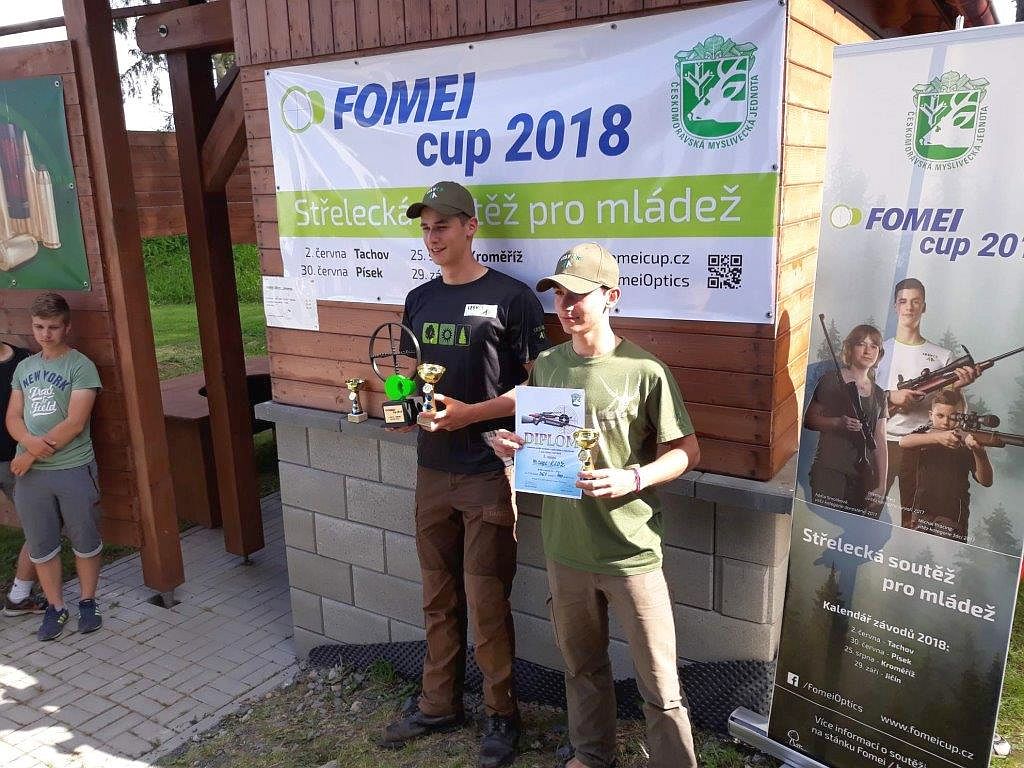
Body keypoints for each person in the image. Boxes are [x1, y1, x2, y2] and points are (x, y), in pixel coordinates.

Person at [483, 243, 701, 768]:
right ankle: (591, 755)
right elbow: (543, 438)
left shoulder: (644, 370)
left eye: (578, 294)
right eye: (559, 294)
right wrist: (512, 446)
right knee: (581, 667)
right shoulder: (549, 365)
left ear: (611, 296)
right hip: (566, 550)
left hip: (630, 552)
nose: (566, 306)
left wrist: (634, 477)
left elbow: (687, 451)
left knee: (660, 684)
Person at [380, 181, 547, 768]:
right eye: (425, 228)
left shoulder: (512, 298)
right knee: (438, 596)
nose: (433, 237)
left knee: (487, 599)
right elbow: (411, 377)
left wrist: (471, 415)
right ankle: (438, 704)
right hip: (432, 469)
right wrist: (402, 408)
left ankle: (502, 715)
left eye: (443, 226)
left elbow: (537, 387)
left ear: (471, 227)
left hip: (487, 471)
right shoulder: (419, 298)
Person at [6, 292, 103, 641]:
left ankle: (88, 602)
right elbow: (13, 417)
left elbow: (75, 423)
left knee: (84, 538)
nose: (45, 334)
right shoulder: (25, 367)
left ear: (66, 328)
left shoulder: (80, 366)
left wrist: (30, 453)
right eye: (39, 327)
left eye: (53, 327)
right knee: (41, 543)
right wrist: (28, 444)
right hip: (33, 477)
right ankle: (56, 606)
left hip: (72, 467)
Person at [874, 278, 979, 524]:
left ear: (924, 306)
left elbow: (954, 409)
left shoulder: (944, 356)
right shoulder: (879, 351)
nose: (909, 307)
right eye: (903, 301)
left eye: (915, 301)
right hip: (881, 443)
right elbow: (861, 399)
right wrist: (892, 397)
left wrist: (957, 387)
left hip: (924, 446)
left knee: (915, 520)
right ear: (895, 306)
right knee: (867, 509)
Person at [804, 324, 888, 517]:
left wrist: (882, 485)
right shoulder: (830, 380)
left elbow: (880, 441)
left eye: (873, 346)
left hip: (862, 477)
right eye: (861, 344)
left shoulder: (879, 394)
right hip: (829, 471)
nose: (867, 351)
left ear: (879, 353)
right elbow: (809, 420)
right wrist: (838, 423)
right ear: (850, 348)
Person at [897, 389, 992, 542]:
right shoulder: (923, 434)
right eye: (940, 416)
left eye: (953, 417)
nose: (946, 422)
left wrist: (980, 453)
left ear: (961, 417)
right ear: (931, 415)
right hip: (919, 512)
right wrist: (939, 437)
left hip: (952, 516)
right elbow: (904, 441)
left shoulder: (965, 442)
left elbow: (986, 481)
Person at [0, 338, 47, 617]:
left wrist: (31, 450)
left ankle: (19, 595)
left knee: (43, 524)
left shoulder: (24, 360)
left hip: (19, 461)